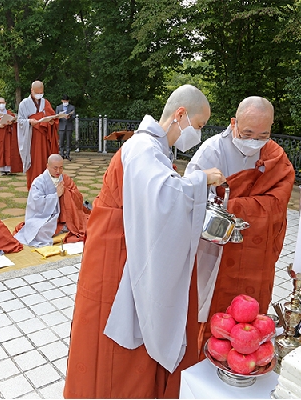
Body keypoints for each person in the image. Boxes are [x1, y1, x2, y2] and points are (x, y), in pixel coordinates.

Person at [63, 85, 226, 399]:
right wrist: (200, 179)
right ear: (180, 114)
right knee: (117, 337)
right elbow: (160, 197)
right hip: (118, 250)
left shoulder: (154, 146)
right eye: (199, 125)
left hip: (128, 239)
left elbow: (158, 193)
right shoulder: (143, 146)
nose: (199, 134)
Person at [184, 96, 295, 356]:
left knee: (250, 311)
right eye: (247, 133)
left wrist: (237, 205)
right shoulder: (213, 150)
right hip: (216, 248)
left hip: (255, 251)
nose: (254, 141)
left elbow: (278, 203)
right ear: (233, 123)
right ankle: (206, 353)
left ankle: (247, 353)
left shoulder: (274, 156)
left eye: (263, 134)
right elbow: (188, 194)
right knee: (211, 307)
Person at [14, 154, 90, 247]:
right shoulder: (39, 182)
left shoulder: (65, 179)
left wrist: (67, 193)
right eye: (55, 168)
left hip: (64, 217)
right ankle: (62, 227)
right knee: (37, 232)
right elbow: (36, 203)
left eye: (61, 168)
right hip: (45, 218)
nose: (58, 171)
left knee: (84, 223)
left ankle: (65, 225)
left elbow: (78, 198)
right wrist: (56, 195)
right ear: (47, 166)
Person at [17, 80, 60, 191]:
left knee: (45, 161)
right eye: (37, 92)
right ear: (32, 90)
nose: (39, 95)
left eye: (41, 92)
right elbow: (20, 121)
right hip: (31, 138)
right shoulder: (24, 103)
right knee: (34, 162)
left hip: (44, 138)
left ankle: (47, 186)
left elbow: (53, 118)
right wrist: (29, 121)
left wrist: (51, 122)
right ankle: (34, 187)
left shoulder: (45, 102)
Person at [0, 97, 23, 175]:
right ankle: (1, 168)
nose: (1, 104)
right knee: (0, 151)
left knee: (9, 150)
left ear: (5, 103)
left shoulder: (9, 113)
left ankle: (9, 168)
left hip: (8, 134)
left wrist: (12, 123)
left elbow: (14, 121)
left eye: (2, 102)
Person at [55, 94, 75, 161]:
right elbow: (56, 117)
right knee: (61, 142)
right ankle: (62, 154)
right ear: (62, 100)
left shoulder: (72, 107)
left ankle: (68, 155)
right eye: (64, 101)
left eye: (66, 101)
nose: (65, 102)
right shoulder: (58, 107)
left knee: (69, 141)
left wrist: (69, 117)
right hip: (61, 126)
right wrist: (60, 116)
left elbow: (73, 117)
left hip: (69, 126)